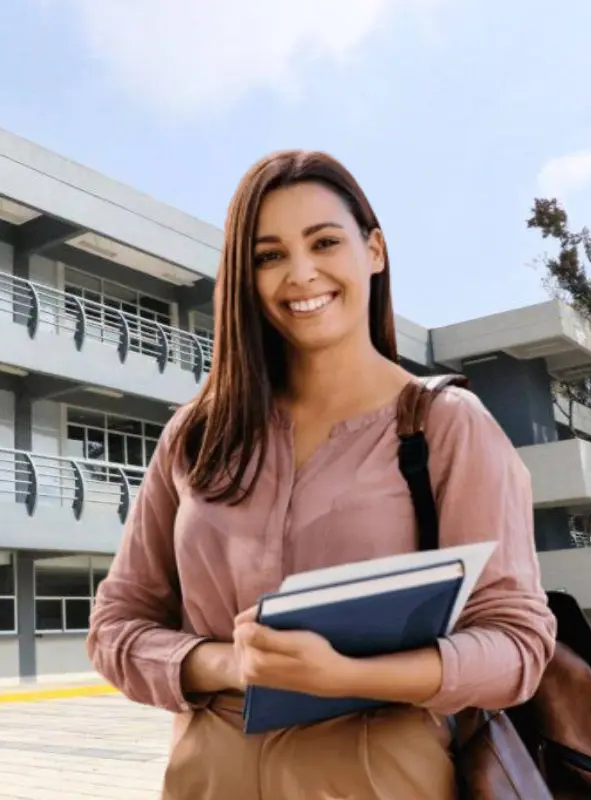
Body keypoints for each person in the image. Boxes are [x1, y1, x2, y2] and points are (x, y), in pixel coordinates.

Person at [85, 150, 558, 799]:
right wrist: (227, 663)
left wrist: (346, 675)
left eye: (324, 242)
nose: (300, 274)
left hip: (379, 770)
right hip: (209, 775)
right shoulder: (194, 436)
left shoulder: (448, 425)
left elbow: (518, 647)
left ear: (375, 251)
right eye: (269, 255)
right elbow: (117, 627)